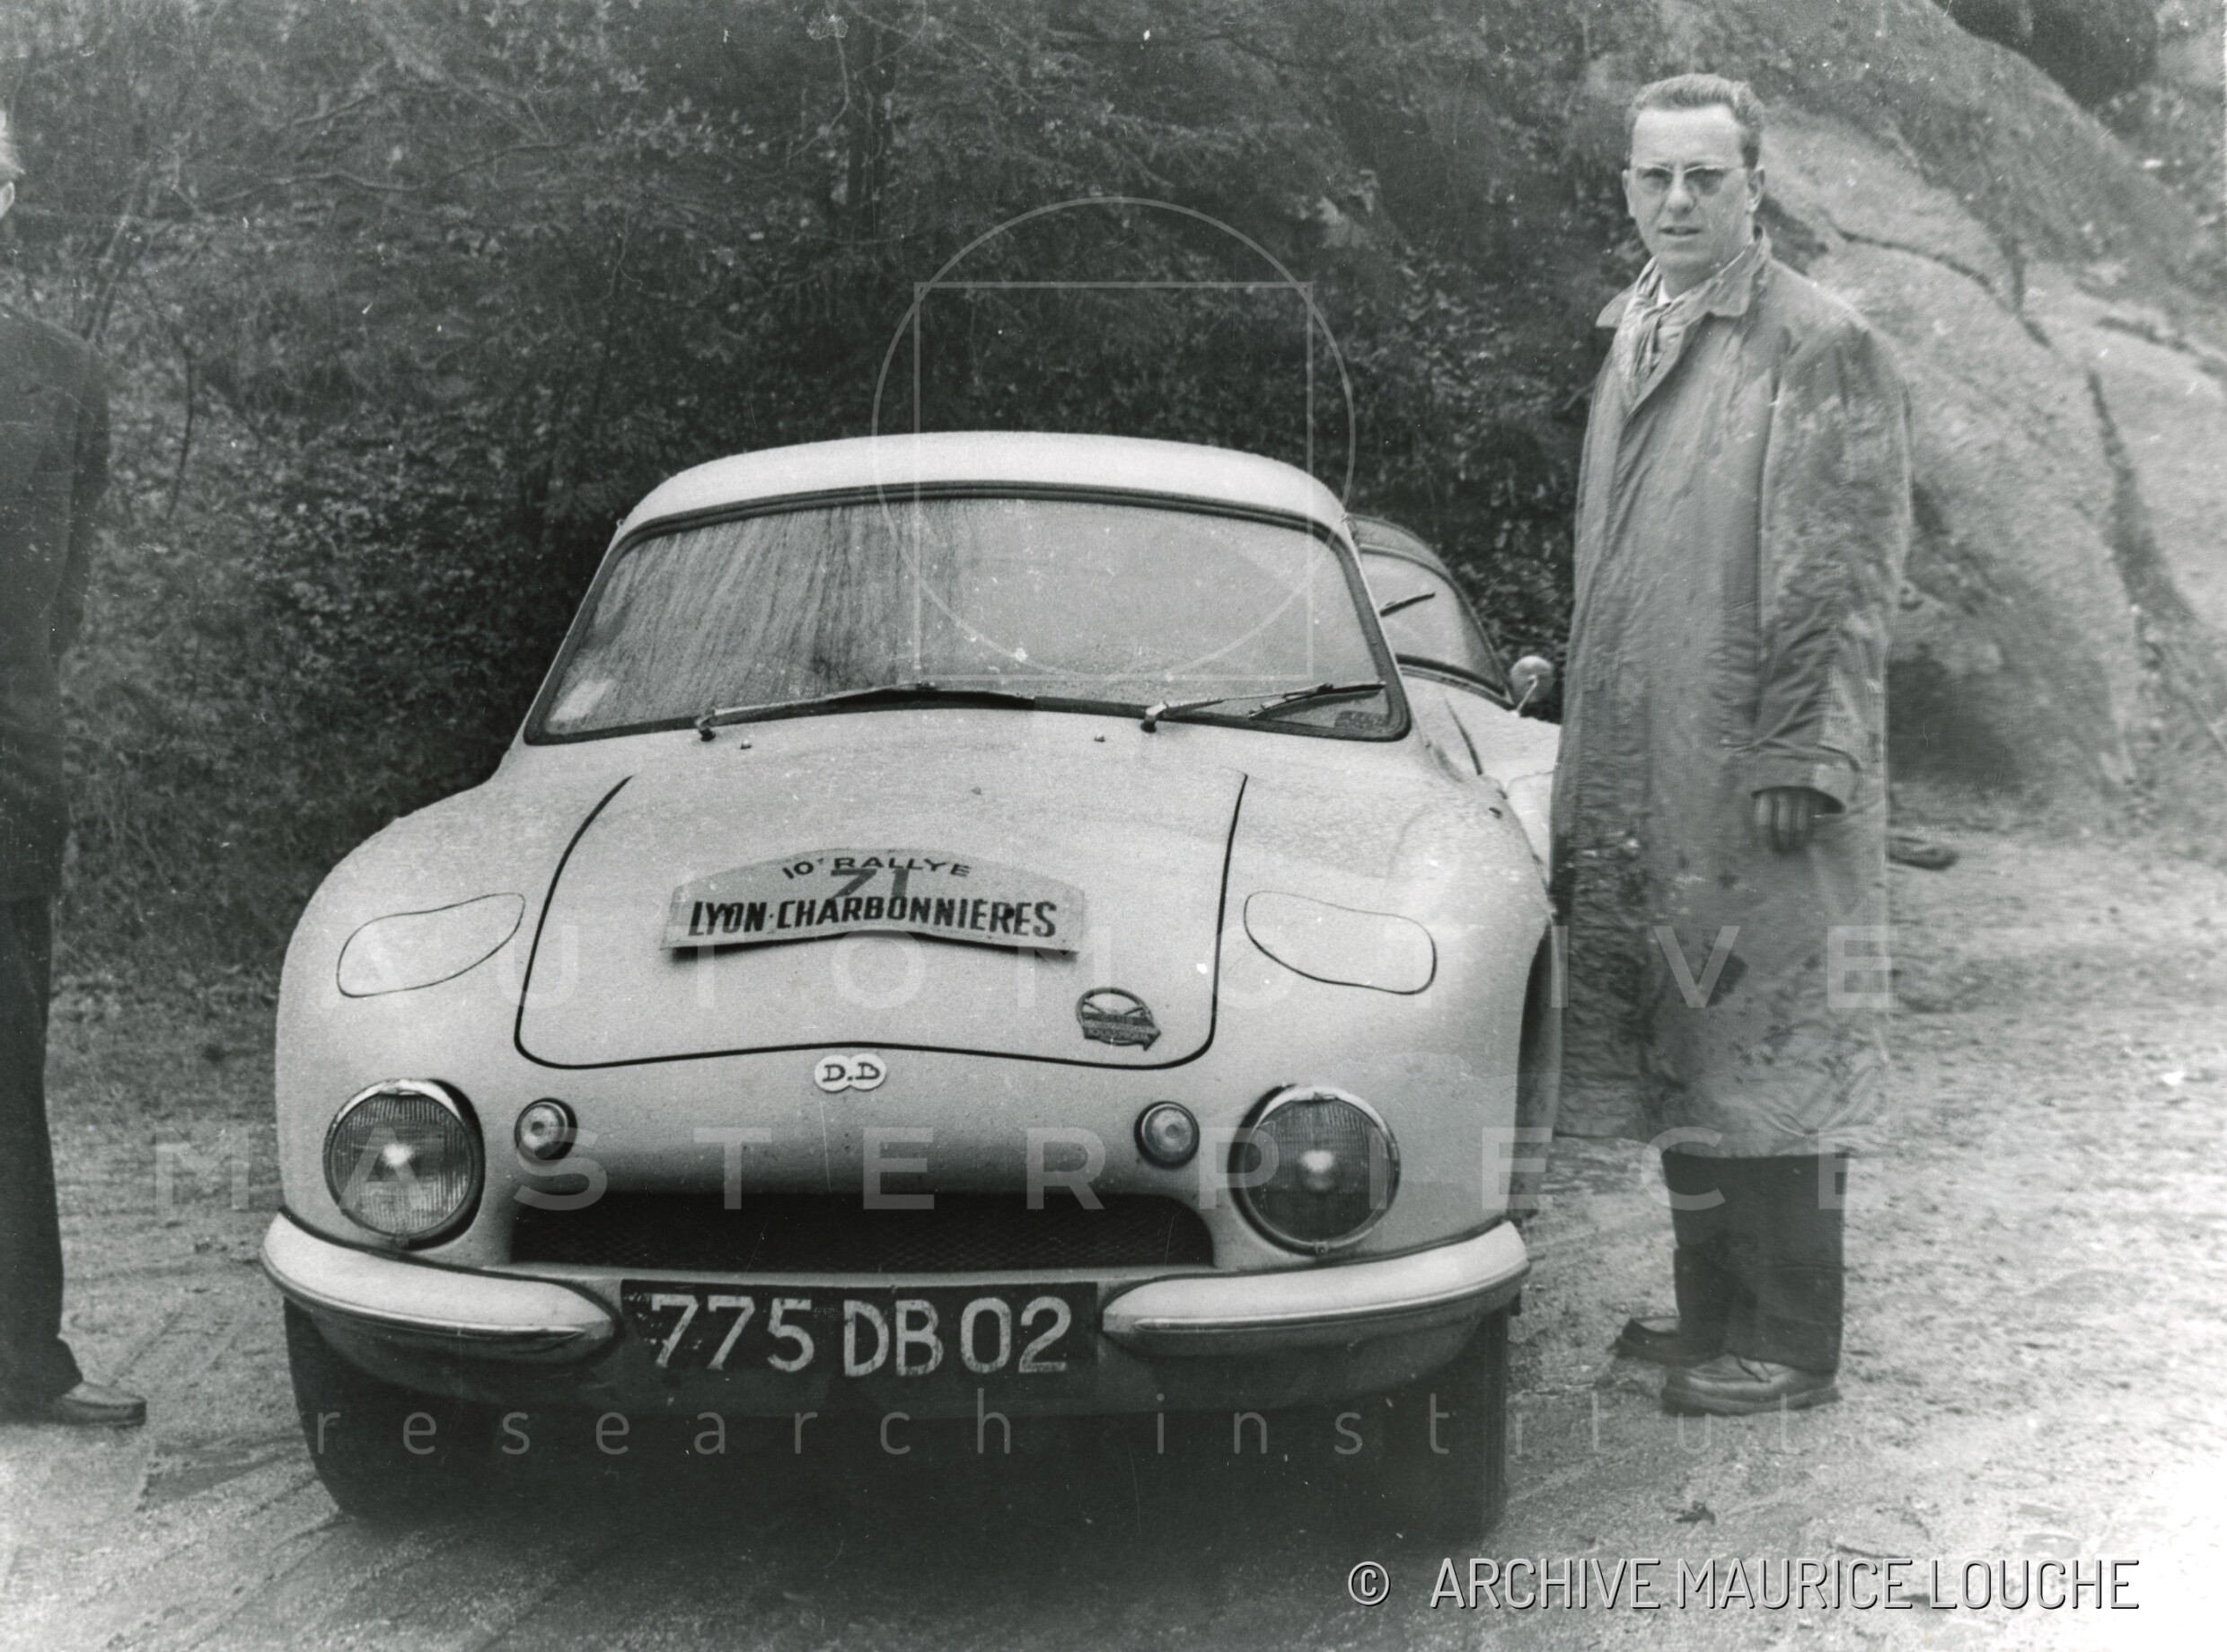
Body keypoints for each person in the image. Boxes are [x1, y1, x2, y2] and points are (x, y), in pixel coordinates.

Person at [1551, 74, 1911, 1416]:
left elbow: (1839, 570)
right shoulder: (1637, 325)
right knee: (1689, 1029)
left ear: (1756, 185)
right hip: (1649, 755)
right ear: (1627, 188)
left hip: (1754, 764)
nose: (1680, 200)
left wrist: (1801, 755)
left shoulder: (1819, 341)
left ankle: (1792, 1341)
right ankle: (1714, 1317)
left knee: (1779, 1039)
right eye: (1656, 177)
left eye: (1708, 176)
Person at [0, 110, 145, 1427]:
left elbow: (63, 595)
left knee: (5, 1068)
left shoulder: (59, 374)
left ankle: (17, 1362)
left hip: (5, 769)